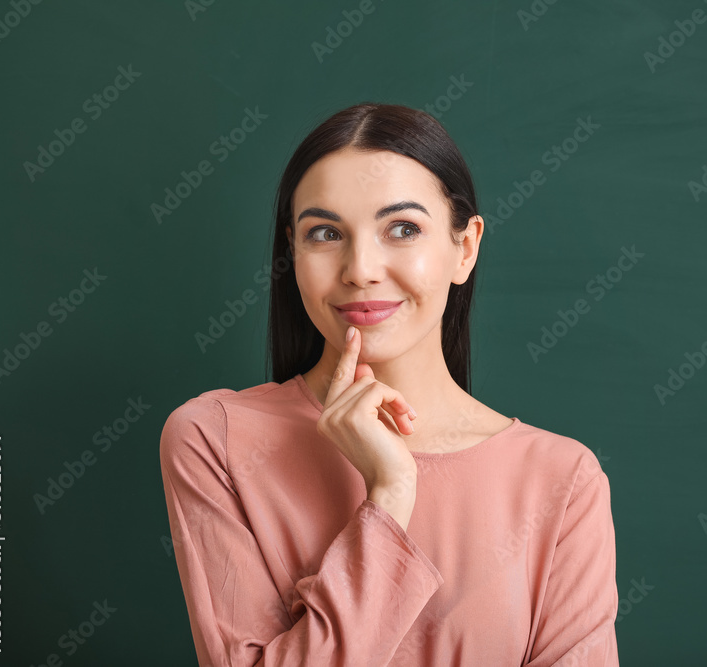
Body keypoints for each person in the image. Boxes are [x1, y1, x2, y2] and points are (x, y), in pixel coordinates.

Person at [159, 102, 619, 666]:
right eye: (325, 233)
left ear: (465, 248)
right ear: (292, 253)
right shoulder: (216, 439)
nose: (360, 269)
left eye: (403, 229)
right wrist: (390, 494)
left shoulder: (562, 480)